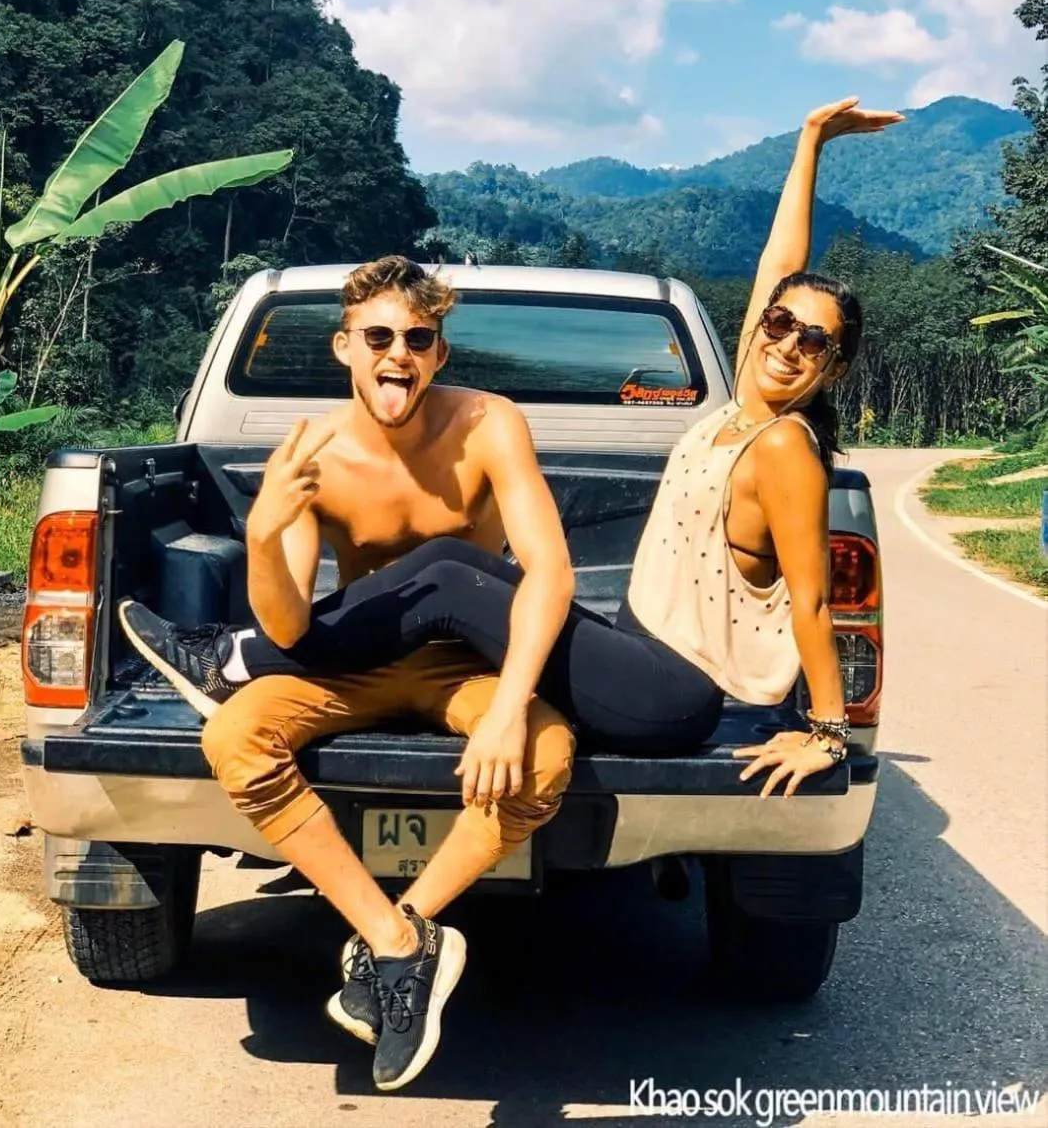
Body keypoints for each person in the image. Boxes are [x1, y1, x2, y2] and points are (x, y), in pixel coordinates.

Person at [124, 94, 902, 1074]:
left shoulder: (783, 440)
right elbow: (776, 271)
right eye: (777, 324)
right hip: (621, 657)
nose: (785, 340)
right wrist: (807, 146)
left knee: (461, 577)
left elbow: (811, 598)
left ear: (834, 364)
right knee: (314, 677)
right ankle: (399, 938)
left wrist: (826, 725)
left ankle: (235, 654)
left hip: (681, 696)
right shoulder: (740, 399)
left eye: (811, 340)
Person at [119, 256, 580, 1093]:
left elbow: (549, 570)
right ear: (344, 348)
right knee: (235, 734)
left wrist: (512, 705)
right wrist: (265, 532)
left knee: (545, 755)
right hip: (356, 657)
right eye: (378, 337)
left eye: (418, 338)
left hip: (463, 663)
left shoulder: (489, 425)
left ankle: (403, 930)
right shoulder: (313, 451)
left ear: (439, 354)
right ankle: (399, 943)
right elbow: (293, 623)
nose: (396, 353)